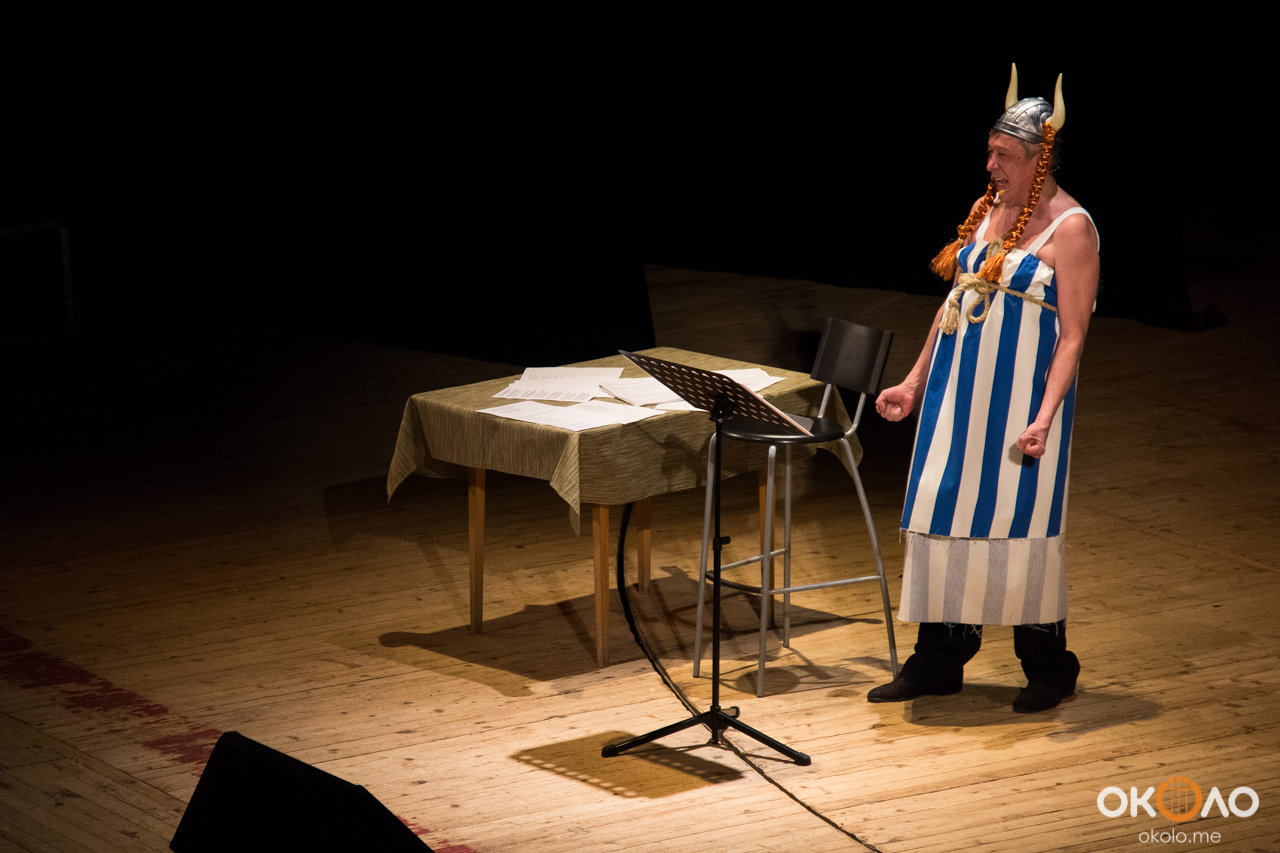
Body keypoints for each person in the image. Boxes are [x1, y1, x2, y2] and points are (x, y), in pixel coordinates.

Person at [866, 65, 1099, 714]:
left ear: (1039, 159)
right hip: (956, 399)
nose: (990, 164)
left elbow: (1073, 336)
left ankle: (1048, 666)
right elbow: (954, 304)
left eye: (1003, 155)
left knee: (1019, 523)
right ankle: (938, 660)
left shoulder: (1071, 229)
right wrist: (914, 381)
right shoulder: (989, 211)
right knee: (944, 513)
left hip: (1020, 405)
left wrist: (1045, 417)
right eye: (990, 152)